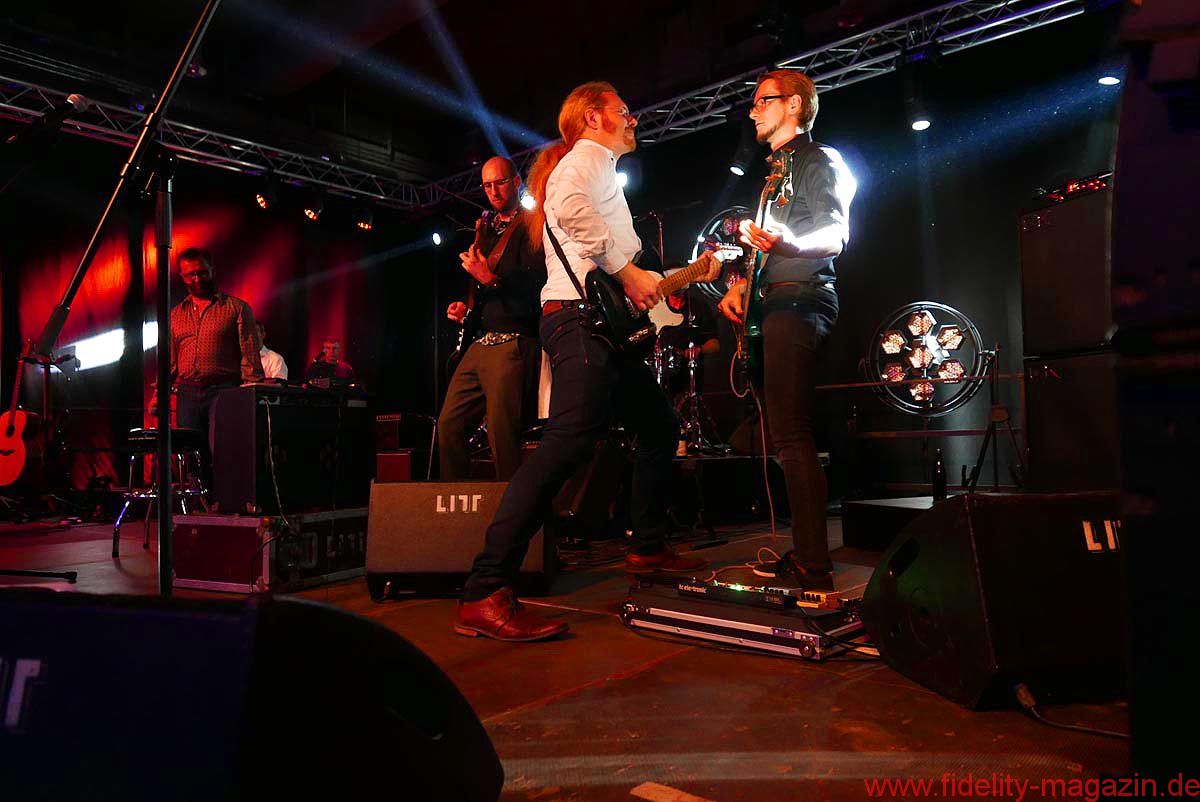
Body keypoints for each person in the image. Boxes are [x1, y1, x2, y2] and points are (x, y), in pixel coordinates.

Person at [453, 81, 718, 642]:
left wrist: (671, 277)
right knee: (565, 446)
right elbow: (568, 208)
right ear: (595, 118)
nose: (633, 119)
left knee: (658, 426)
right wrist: (628, 271)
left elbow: (615, 263)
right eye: (624, 111)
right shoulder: (588, 158)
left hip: (599, 325)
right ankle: (484, 589)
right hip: (579, 323)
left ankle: (647, 547)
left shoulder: (598, 166)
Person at [717, 69, 856, 590]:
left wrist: (792, 245)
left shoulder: (819, 159)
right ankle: (806, 553)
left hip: (800, 300)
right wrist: (743, 285)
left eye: (763, 101)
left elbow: (835, 233)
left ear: (794, 105)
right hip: (774, 301)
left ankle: (814, 565)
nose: (753, 110)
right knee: (782, 434)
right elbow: (769, 246)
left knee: (792, 433)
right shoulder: (776, 171)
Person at [437, 156, 546, 480]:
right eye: (486, 185)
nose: (493, 191)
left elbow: (537, 286)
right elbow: (481, 285)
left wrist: (491, 280)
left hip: (513, 340)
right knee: (448, 424)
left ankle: (512, 506)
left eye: (499, 183)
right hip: (480, 340)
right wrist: (465, 308)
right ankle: (457, 502)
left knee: (502, 433)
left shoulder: (533, 225)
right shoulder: (484, 229)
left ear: (516, 182)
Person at [163, 247, 264, 459]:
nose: (197, 279)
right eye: (191, 274)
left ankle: (223, 482)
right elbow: (169, 361)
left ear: (212, 270)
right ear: (182, 276)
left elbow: (250, 356)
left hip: (223, 392)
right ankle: (196, 483)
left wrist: (251, 396)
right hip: (187, 393)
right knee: (190, 455)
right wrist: (158, 395)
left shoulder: (236, 308)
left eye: (202, 272)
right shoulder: (175, 315)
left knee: (222, 450)